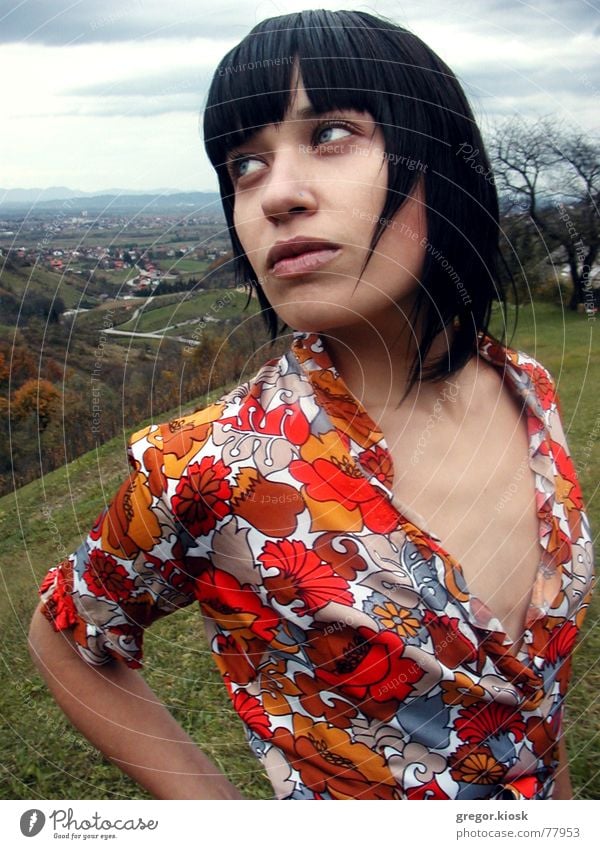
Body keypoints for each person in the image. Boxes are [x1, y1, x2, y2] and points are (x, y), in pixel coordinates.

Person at [28, 9, 594, 801]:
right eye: (244, 166)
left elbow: (531, 695)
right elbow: (67, 633)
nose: (276, 195)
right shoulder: (214, 463)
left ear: (442, 158)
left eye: (330, 133)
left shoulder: (529, 389)